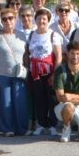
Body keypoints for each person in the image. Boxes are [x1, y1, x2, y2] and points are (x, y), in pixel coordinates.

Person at [0, 9, 29, 136]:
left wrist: (27, 69)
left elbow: (26, 55)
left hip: (19, 75)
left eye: (10, 18)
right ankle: (7, 128)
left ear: (15, 19)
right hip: (1, 74)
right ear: (1, 21)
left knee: (20, 102)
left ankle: (22, 128)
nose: (8, 21)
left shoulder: (22, 35)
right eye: (4, 19)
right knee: (5, 101)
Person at [27, 8, 63, 136]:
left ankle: (53, 125)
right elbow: (29, 53)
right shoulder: (31, 34)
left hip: (49, 72)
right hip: (35, 72)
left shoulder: (54, 35)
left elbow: (58, 56)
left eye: (44, 19)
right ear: (35, 20)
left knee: (52, 99)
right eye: (39, 18)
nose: (41, 21)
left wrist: (55, 74)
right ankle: (41, 124)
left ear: (48, 20)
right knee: (39, 99)